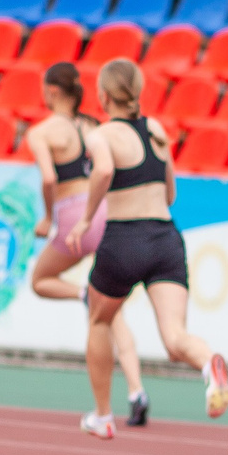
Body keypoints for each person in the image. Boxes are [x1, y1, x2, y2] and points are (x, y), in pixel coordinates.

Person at [78, 57, 228, 438]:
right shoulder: (157, 130)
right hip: (165, 238)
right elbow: (171, 193)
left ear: (103, 95)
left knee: (99, 319)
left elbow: (104, 171)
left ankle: (102, 415)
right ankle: (208, 364)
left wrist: (85, 218)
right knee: (175, 338)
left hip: (124, 238)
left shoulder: (101, 135)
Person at [24, 60, 150, 424]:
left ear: (50, 90)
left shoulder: (43, 132)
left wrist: (48, 218)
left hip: (73, 218)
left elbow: (49, 178)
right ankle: (136, 389)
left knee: (40, 281)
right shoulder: (94, 125)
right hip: (105, 213)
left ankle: (80, 294)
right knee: (112, 312)